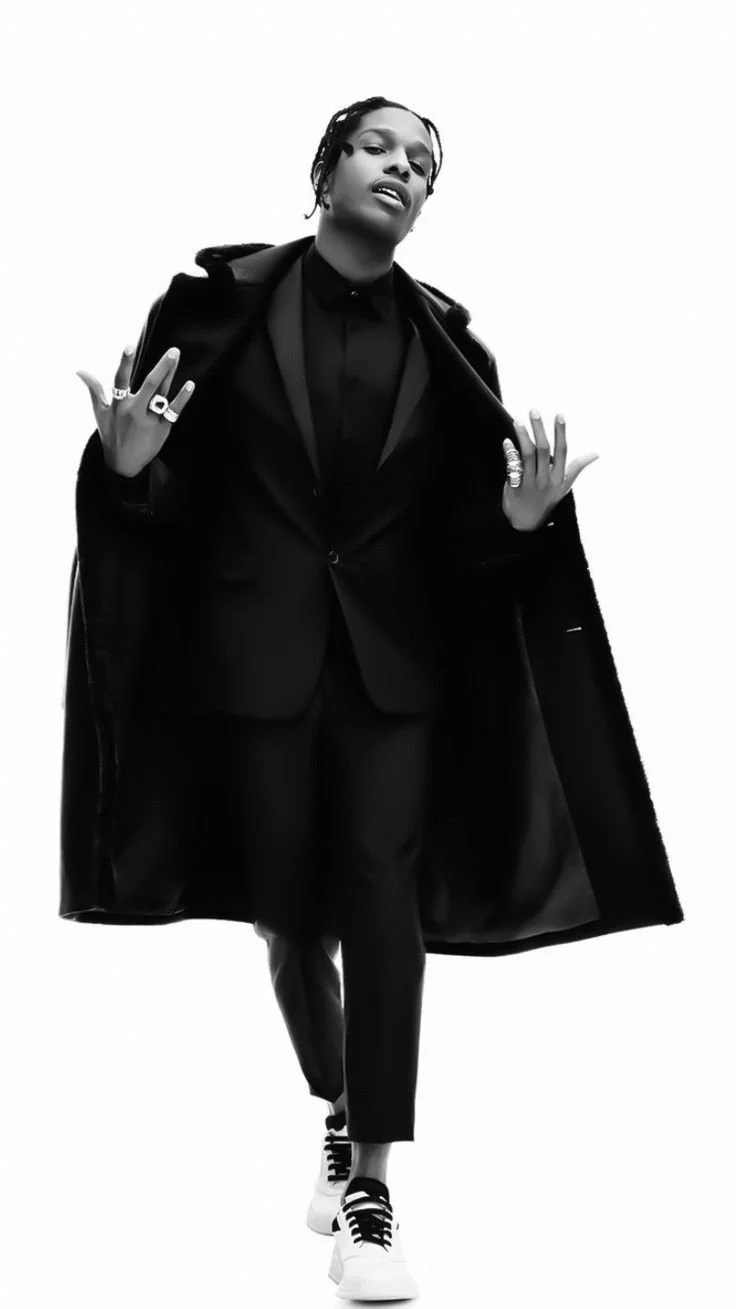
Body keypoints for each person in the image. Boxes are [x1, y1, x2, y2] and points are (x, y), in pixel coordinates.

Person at [65, 95, 684, 1301]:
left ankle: (373, 1185)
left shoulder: (453, 350)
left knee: (381, 901)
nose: (404, 170)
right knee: (291, 916)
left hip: (397, 674)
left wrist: (514, 523)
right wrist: (130, 473)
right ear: (324, 169)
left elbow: (457, 543)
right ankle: (341, 1104)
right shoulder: (208, 309)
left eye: (424, 166)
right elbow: (175, 503)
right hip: (253, 663)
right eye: (380, 148)